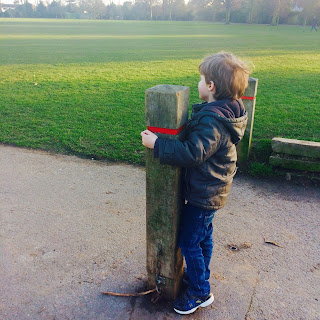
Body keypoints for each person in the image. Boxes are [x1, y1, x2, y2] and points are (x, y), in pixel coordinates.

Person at [141, 52, 250, 315]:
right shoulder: (225, 111)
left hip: (205, 193)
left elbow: (193, 153)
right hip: (212, 190)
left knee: (189, 240)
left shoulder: (212, 120)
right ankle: (198, 275)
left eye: (201, 79)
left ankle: (201, 291)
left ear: (210, 86)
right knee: (203, 237)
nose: (199, 84)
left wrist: (158, 144)